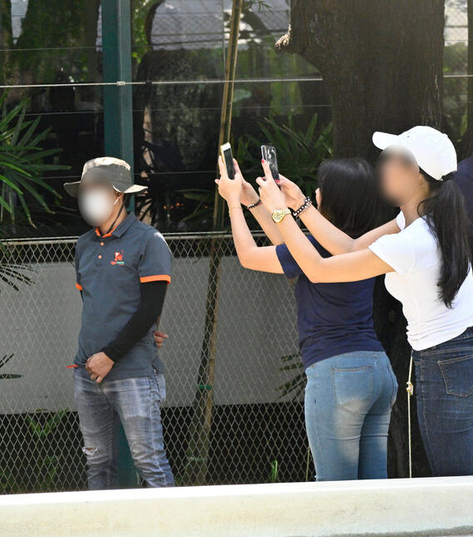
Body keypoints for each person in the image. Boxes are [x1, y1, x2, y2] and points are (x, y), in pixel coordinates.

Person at [258, 126, 473, 476]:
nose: (382, 166)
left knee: (457, 482)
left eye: (389, 159)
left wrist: (279, 212)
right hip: (451, 356)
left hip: (445, 359)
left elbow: (319, 269)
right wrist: (301, 205)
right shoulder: (421, 216)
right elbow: (352, 248)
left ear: (415, 173)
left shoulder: (412, 240)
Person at [217, 156, 396, 480]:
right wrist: (252, 200)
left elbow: (248, 256)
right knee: (374, 493)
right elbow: (290, 242)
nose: (315, 193)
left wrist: (232, 202)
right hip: (378, 370)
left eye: (321, 189)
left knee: (334, 489)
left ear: (329, 199)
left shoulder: (319, 250)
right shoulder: (362, 246)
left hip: (337, 372)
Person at [66, 157, 175, 489]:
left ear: (118, 195)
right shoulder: (84, 244)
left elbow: (150, 308)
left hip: (133, 374)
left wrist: (112, 353)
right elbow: (97, 306)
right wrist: (95, 358)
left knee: (150, 463)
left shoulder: (148, 240)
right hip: (87, 373)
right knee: (97, 463)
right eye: (85, 190)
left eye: (95, 189)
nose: (89, 196)